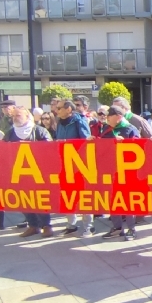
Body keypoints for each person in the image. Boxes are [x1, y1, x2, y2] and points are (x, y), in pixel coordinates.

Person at [5, 106, 53, 237]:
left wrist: (30, 147)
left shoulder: (39, 130)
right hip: (19, 173)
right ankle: (33, 225)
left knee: (39, 199)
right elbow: (3, 150)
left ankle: (46, 225)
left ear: (27, 117)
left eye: (18, 115)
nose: (15, 118)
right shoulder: (10, 132)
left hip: (38, 172)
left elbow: (50, 148)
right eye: (14, 116)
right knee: (24, 199)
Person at [53, 98, 94, 237]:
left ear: (68, 109)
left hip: (78, 165)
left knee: (83, 196)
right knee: (67, 194)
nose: (56, 110)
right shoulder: (59, 122)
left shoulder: (79, 121)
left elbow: (86, 141)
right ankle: (71, 225)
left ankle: (88, 227)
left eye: (59, 108)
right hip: (63, 163)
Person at [99, 106, 141, 239]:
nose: (106, 119)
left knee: (127, 200)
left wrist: (125, 143)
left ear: (117, 117)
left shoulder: (130, 129)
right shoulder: (107, 129)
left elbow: (139, 148)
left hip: (126, 172)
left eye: (108, 116)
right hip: (110, 171)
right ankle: (117, 227)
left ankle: (131, 229)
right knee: (113, 199)